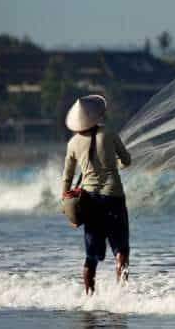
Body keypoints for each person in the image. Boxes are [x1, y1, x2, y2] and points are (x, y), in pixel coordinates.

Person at [62, 95, 132, 295]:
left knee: (91, 255)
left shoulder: (73, 143)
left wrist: (65, 204)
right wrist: (115, 164)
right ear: (96, 115)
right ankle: (122, 295)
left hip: (89, 200)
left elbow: (67, 177)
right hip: (114, 196)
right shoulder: (109, 134)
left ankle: (89, 298)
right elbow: (126, 160)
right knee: (121, 249)